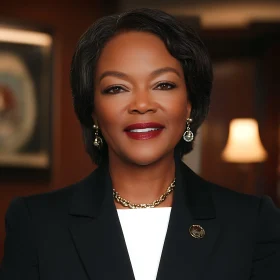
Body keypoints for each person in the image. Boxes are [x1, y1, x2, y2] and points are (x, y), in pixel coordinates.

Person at [1, 8, 280, 280]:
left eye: (163, 85)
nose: (142, 105)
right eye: (117, 88)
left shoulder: (251, 222)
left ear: (189, 105)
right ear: (93, 110)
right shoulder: (36, 223)